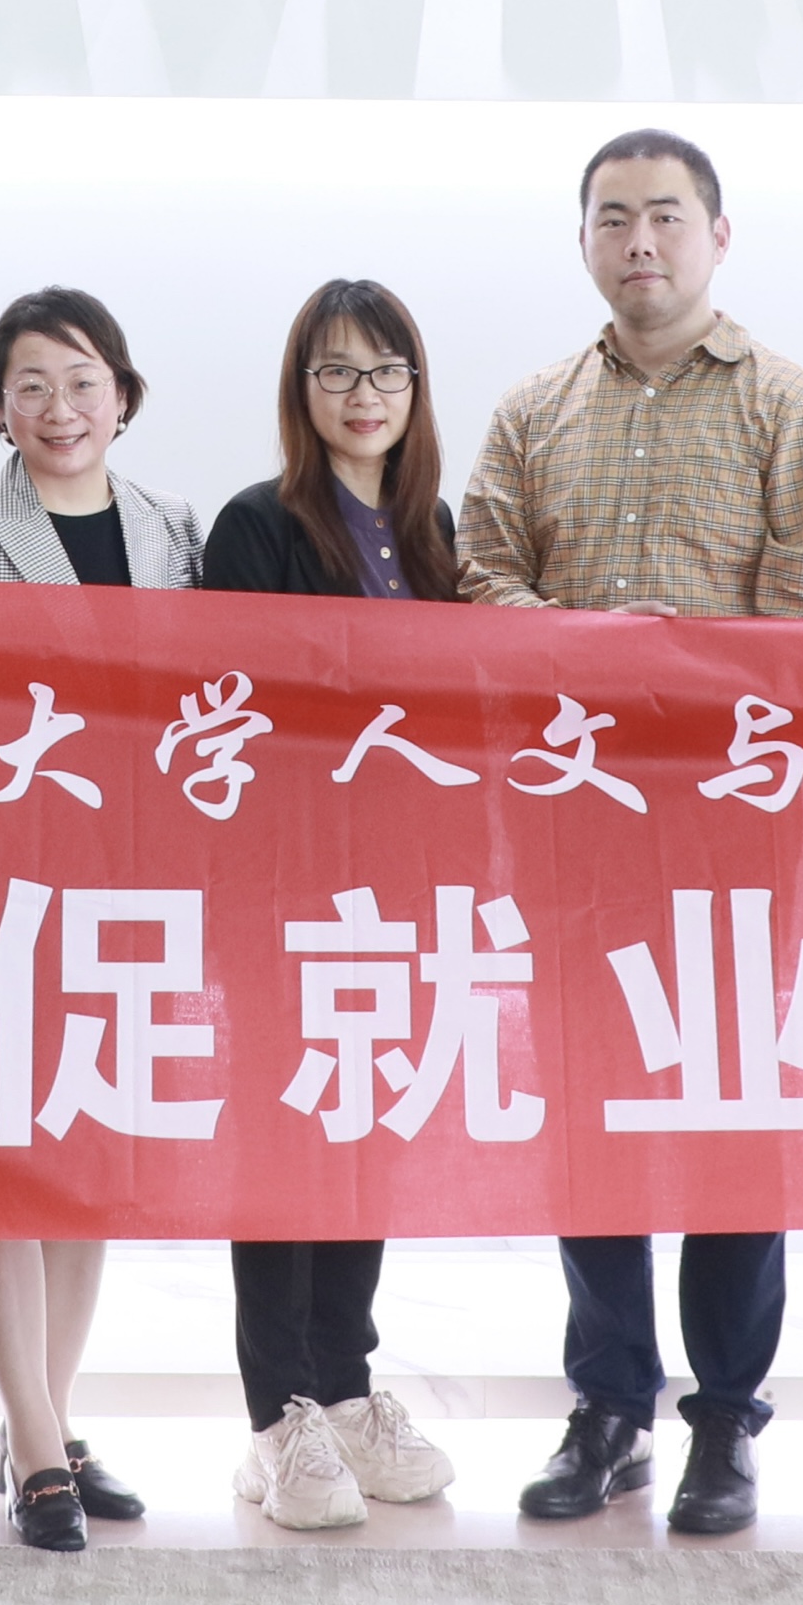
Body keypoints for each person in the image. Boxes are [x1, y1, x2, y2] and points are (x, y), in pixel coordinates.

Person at [459, 128, 803, 1539]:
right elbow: (481, 581)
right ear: (582, 238)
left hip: (735, 828)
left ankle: (726, 1420)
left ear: (718, 235)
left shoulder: (795, 405)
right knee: (590, 1117)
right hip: (569, 821)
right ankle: (610, 1405)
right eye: (613, 218)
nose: (641, 241)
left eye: (667, 216)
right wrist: (597, 648)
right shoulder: (530, 409)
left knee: (730, 1121)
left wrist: (649, 662)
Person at [0, 288, 204, 1552]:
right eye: (31, 385)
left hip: (129, 880)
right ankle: (32, 1441)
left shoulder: (176, 529)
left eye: (82, 382)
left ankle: (52, 1422)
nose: (60, 408)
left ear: (123, 395)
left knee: (85, 1166)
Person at [196, 280, 466, 1533]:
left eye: (385, 372)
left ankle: (348, 1388)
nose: (363, 396)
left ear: (415, 390)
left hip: (398, 889)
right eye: (337, 372)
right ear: (300, 392)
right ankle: (279, 1416)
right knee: (282, 1140)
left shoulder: (434, 530)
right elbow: (238, 717)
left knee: (365, 1129)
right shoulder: (257, 527)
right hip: (283, 891)